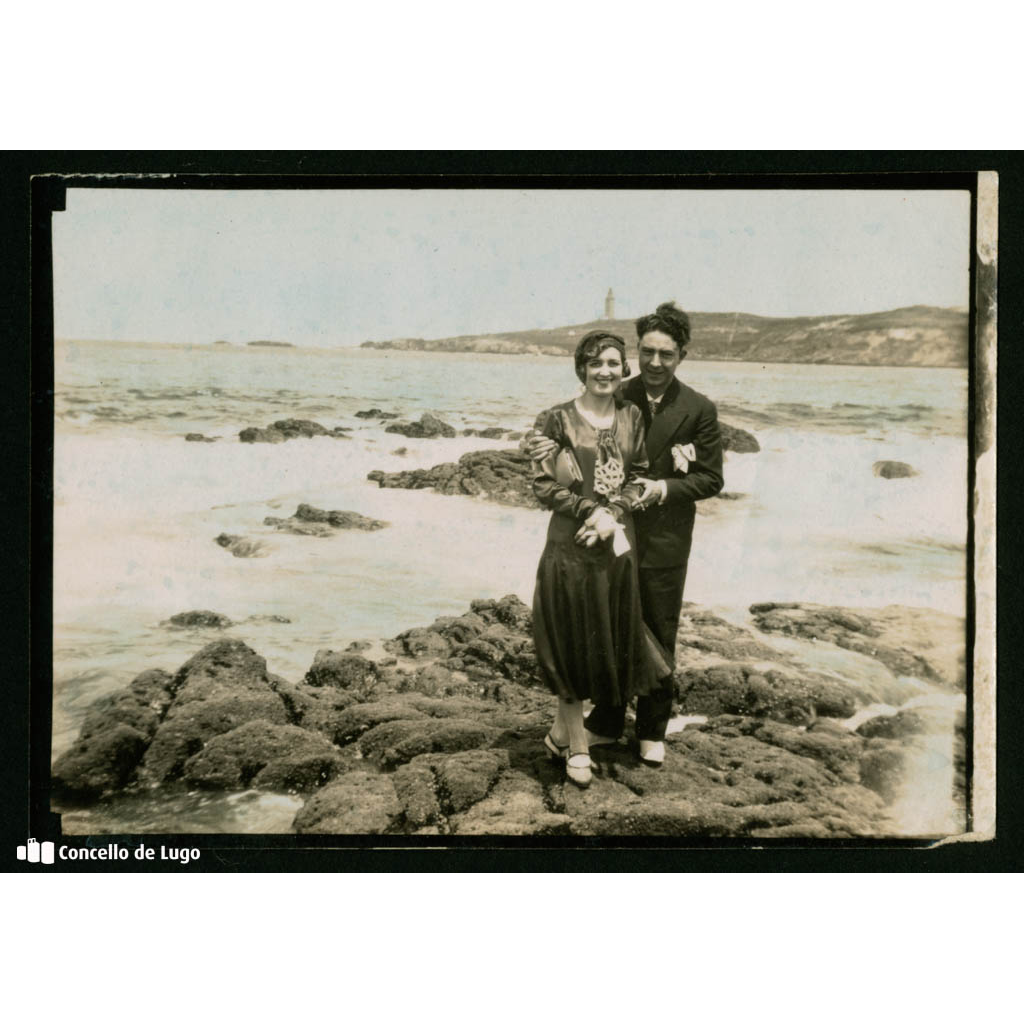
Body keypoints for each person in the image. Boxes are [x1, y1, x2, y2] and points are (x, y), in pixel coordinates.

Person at [527, 302, 723, 766]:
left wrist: (662, 487)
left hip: (664, 539)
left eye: (667, 355)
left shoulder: (698, 408)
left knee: (659, 629)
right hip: (610, 532)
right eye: (649, 352)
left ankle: (651, 731)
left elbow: (711, 480)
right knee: (610, 627)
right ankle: (607, 724)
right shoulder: (618, 390)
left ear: (682, 355)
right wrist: (541, 447)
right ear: (638, 352)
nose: (656, 363)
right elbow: (568, 441)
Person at [531, 330, 672, 787]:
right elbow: (544, 485)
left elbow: (640, 474)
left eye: (613, 363)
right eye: (595, 363)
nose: (605, 371)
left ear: (623, 368)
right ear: (581, 369)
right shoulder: (555, 420)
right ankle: (576, 748)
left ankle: (558, 733)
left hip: (614, 546)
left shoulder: (632, 416)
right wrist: (590, 509)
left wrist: (612, 512)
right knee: (568, 646)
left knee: (600, 647)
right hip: (569, 548)